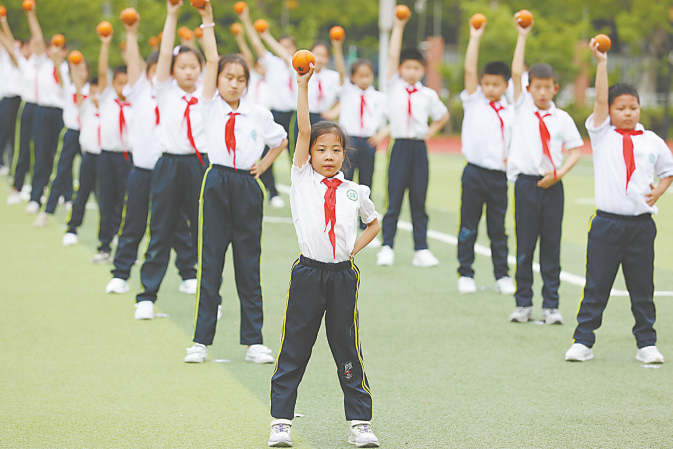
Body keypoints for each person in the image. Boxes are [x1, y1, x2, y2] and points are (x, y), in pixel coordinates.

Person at [268, 62, 381, 448]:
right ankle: (281, 420)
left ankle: (360, 422)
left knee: (346, 346)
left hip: (343, 276)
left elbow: (374, 222)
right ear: (309, 155)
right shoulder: (301, 180)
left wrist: (353, 249)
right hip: (308, 275)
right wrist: (303, 86)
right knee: (295, 346)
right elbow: (302, 128)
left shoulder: (355, 190)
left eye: (336, 149)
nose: (329, 156)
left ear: (344, 154)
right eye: (321, 149)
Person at [183, 1, 287, 365]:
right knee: (210, 262)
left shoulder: (257, 113)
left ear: (247, 83)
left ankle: (254, 340)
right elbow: (211, 59)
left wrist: (264, 164)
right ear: (218, 80)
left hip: (246, 185)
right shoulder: (208, 105)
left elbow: (281, 140)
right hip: (216, 182)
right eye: (228, 77)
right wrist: (207, 21)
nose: (234, 83)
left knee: (248, 262)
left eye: (240, 79)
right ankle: (200, 340)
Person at [564, 39, 673, 363]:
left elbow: (668, 171)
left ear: (640, 108)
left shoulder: (652, 140)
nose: (627, 113)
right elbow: (599, 96)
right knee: (596, 284)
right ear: (609, 111)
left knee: (642, 288)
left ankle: (646, 344)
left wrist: (660, 189)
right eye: (620, 108)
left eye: (633, 107)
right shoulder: (602, 135)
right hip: (606, 225)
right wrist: (601, 63)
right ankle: (583, 341)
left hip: (641, 226)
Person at [105, 15, 197, 296]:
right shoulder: (141, 91)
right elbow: (134, 63)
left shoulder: (177, 94)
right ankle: (121, 273)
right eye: (156, 69)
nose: (161, 74)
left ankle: (188, 273)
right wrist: (131, 34)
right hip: (143, 171)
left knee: (179, 225)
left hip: (172, 170)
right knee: (133, 222)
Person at [506, 18, 583, 324]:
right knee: (525, 246)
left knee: (551, 246)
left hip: (553, 185)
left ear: (555, 88)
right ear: (528, 88)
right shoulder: (522, 108)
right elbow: (515, 71)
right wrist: (522, 35)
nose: (541, 92)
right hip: (526, 185)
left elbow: (576, 151)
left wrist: (559, 174)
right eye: (536, 87)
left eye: (546, 87)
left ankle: (551, 305)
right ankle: (523, 303)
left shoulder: (562, 118)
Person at [134, 0, 207, 320]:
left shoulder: (207, 93)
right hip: (168, 164)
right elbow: (164, 54)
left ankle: (205, 293)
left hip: (198, 164)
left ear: (201, 70)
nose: (189, 71)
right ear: (173, 71)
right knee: (160, 227)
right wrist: (172, 14)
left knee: (204, 230)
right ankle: (147, 295)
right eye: (183, 66)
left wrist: (207, 21)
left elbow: (215, 58)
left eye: (194, 66)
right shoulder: (164, 90)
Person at [375, 12, 449, 268]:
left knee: (419, 200)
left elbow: (442, 116)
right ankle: (387, 246)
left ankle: (421, 249)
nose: (411, 71)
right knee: (393, 198)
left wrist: (430, 132)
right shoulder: (393, 87)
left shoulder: (427, 94)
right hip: (399, 146)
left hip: (418, 148)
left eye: (416, 68)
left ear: (423, 70)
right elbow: (393, 55)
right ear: (400, 69)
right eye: (407, 67)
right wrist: (398, 26)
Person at [456, 18, 515, 295]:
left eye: (496, 84)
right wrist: (475, 37)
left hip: (499, 177)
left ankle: (502, 274)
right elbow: (469, 69)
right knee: (469, 225)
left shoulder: (511, 110)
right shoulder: (475, 100)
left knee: (498, 229)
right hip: (475, 172)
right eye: (486, 83)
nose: (490, 88)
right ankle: (465, 272)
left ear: (506, 85)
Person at [238, 6, 297, 208]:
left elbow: (287, 56)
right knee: (267, 151)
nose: (285, 49)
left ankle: (301, 193)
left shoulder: (297, 64)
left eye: (289, 46)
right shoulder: (272, 63)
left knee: (297, 157)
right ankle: (272, 192)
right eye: (282, 46)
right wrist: (246, 20)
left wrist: (268, 35)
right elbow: (255, 44)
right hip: (275, 113)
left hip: (295, 115)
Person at [33, 57, 90, 227]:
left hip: (88, 136)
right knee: (60, 173)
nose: (80, 73)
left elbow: (83, 107)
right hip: (71, 133)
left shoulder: (92, 90)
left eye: (83, 69)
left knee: (93, 178)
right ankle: (46, 212)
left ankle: (109, 224)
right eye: (77, 70)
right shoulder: (68, 87)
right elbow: (59, 73)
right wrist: (59, 58)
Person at [92, 29, 133, 264]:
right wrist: (105, 45)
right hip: (107, 157)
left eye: (128, 83)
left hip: (128, 158)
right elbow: (101, 71)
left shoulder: (135, 102)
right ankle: (104, 245)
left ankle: (123, 244)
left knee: (126, 202)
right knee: (106, 200)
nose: (123, 87)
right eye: (120, 83)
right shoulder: (108, 98)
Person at [24, 6, 65, 215]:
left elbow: (63, 84)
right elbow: (38, 39)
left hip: (59, 114)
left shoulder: (65, 67)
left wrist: (58, 61)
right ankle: (35, 196)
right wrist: (31, 14)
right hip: (42, 112)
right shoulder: (41, 63)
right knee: (40, 153)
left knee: (58, 156)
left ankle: (63, 196)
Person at [62, 76, 101, 246]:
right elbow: (78, 90)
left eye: (98, 93)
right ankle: (72, 229)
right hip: (89, 158)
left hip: (106, 159)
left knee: (107, 200)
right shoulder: (86, 107)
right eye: (91, 92)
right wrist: (76, 71)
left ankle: (110, 235)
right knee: (82, 194)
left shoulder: (111, 108)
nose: (94, 96)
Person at [0, 16, 22, 177]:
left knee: (11, 132)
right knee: (4, 130)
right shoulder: (5, 58)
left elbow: (9, 42)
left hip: (14, 99)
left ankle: (8, 162)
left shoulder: (18, 60)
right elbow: (7, 42)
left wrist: (3, 23)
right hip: (5, 98)